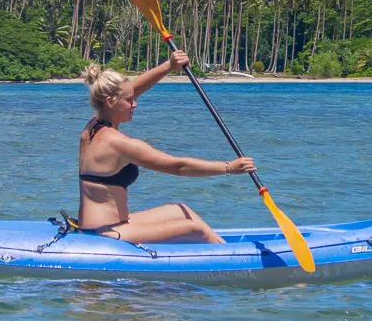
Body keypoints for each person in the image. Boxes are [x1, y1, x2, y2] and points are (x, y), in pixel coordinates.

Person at [77, 50, 255, 243]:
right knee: (195, 230)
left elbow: (132, 89)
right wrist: (229, 167)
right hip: (105, 234)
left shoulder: (91, 128)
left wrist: (169, 66)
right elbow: (178, 167)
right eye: (130, 101)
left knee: (181, 210)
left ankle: (222, 248)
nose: (135, 104)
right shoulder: (118, 144)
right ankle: (233, 261)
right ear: (111, 102)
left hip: (106, 225)